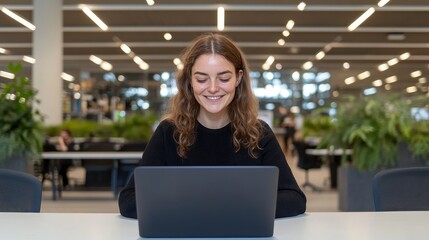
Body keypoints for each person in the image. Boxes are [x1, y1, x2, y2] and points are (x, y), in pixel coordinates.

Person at [118, 33, 306, 219]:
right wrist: (218, 207)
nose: (213, 88)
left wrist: (214, 208)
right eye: (201, 79)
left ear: (238, 78)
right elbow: (129, 200)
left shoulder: (259, 133)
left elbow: (295, 199)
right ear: (190, 80)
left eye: (224, 78)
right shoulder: (168, 132)